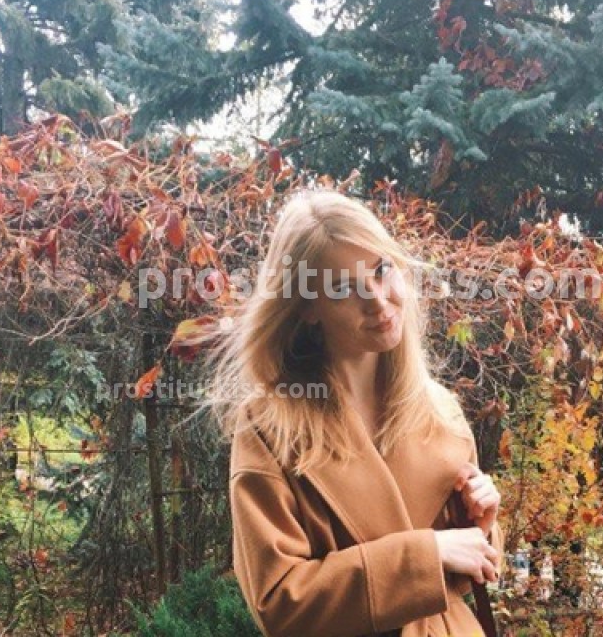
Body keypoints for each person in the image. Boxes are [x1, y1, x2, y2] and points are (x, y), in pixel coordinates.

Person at [203, 188, 503, 637]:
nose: (378, 301)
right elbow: (279, 603)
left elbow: (466, 574)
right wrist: (425, 557)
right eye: (344, 288)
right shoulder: (270, 426)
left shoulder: (441, 412)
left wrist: (481, 526)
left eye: (382, 270)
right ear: (307, 308)